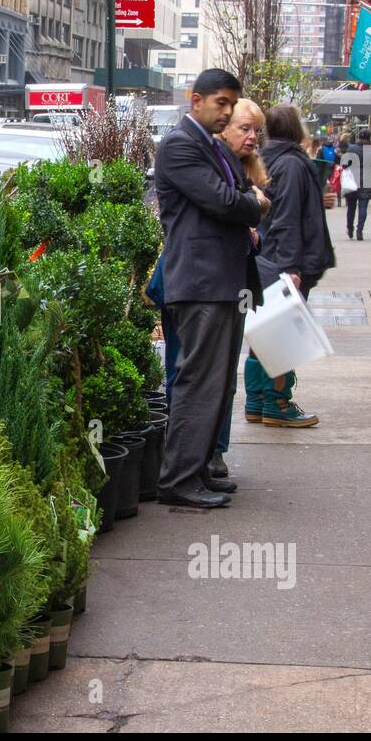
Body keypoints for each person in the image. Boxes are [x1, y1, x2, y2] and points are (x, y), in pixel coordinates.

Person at [153, 69, 269, 509]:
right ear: (195, 99)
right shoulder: (181, 145)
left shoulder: (211, 146)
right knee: (198, 382)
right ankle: (179, 481)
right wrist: (251, 204)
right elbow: (228, 201)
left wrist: (248, 201)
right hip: (200, 283)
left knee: (217, 384)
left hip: (221, 281)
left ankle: (198, 469)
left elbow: (243, 192)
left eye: (231, 103)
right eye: (221, 103)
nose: (227, 111)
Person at [245, 104, 336, 428]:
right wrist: (293, 269)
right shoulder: (294, 165)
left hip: (265, 259)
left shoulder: (264, 160)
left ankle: (256, 401)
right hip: (285, 262)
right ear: (297, 129)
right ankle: (278, 403)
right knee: (282, 334)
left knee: (263, 331)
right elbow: (289, 220)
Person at [209, 97, 269, 476]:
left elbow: (255, 209)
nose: (252, 137)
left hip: (235, 285)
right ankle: (200, 457)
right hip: (205, 287)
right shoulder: (211, 164)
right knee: (204, 376)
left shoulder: (246, 170)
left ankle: (216, 452)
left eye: (256, 131)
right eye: (245, 128)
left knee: (226, 377)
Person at [343, 128, 371, 240]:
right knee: (363, 207)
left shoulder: (352, 148)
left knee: (351, 207)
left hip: (352, 179)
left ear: (359, 137)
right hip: (366, 180)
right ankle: (359, 231)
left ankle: (350, 228)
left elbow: (344, 164)